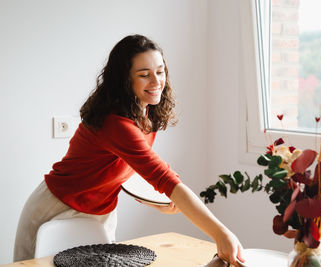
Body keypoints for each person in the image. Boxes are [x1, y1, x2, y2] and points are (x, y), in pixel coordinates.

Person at [13, 34, 244, 266]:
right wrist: (221, 234)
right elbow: (164, 178)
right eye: (144, 75)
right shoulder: (116, 123)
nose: (156, 82)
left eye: (160, 71)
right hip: (56, 207)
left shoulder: (145, 114)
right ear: (124, 80)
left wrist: (155, 200)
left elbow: (125, 168)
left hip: (102, 212)